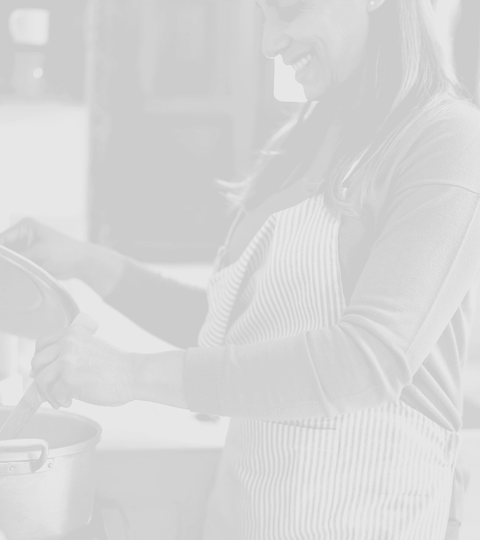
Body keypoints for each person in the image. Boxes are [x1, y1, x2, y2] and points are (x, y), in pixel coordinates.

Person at [1, 0, 480, 538]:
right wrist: (85, 260)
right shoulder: (304, 142)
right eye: (263, 19)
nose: (269, 44)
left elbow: (367, 362)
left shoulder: (446, 140)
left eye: (288, 12)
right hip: (245, 515)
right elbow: (232, 331)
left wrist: (132, 374)